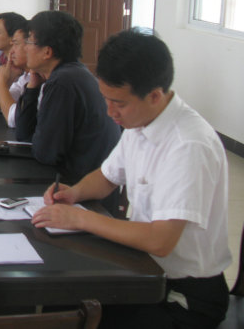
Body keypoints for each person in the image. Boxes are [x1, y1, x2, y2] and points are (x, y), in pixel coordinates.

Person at [31, 30, 231, 329]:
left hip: (183, 295)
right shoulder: (141, 121)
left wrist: (79, 218)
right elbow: (107, 177)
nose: (110, 111)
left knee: (76, 316)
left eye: (119, 103)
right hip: (143, 269)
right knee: (61, 299)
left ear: (154, 95)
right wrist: (74, 193)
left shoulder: (188, 145)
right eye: (106, 99)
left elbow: (160, 241)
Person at [15, 10, 120, 185]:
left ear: (47, 52)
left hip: (80, 189)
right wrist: (33, 86)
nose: (25, 47)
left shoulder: (63, 83)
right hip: (78, 181)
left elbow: (45, 153)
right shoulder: (72, 73)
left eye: (29, 41)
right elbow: (24, 135)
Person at [0, 23, 31, 126]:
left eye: (16, 44)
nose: (12, 51)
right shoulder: (25, 76)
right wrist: (6, 82)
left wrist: (2, 81)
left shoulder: (41, 78)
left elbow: (14, 119)